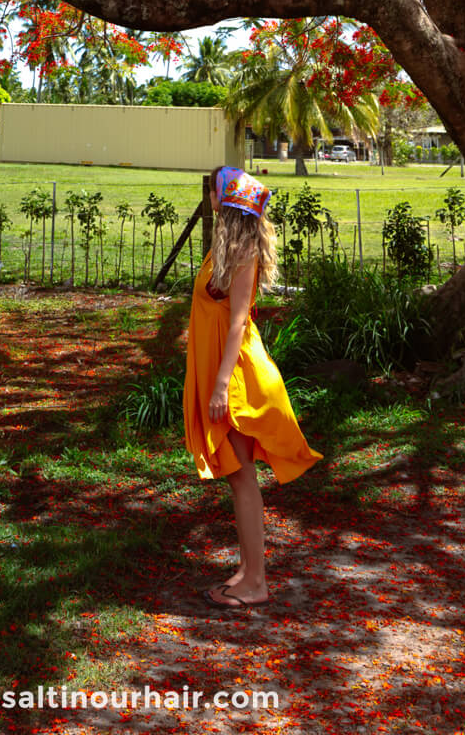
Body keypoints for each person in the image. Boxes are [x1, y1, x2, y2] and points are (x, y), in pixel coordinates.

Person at [183, 165, 322, 610]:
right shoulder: (225, 249)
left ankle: (255, 582)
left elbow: (239, 321)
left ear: (221, 200)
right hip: (225, 370)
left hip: (238, 374)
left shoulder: (241, 251)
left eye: (212, 192)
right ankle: (247, 572)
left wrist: (222, 386)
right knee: (237, 476)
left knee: (241, 477)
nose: (209, 199)